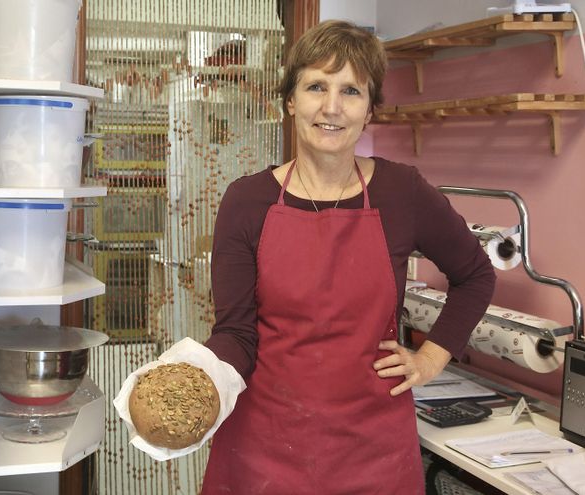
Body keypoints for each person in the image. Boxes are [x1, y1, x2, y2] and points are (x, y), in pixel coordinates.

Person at [199, 20, 496, 494]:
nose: (331, 107)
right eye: (316, 86)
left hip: (373, 450)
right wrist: (193, 378)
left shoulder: (404, 192)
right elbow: (235, 333)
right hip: (263, 448)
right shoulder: (246, 201)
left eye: (351, 90)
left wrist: (431, 359)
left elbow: (476, 274)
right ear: (291, 100)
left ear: (369, 110)